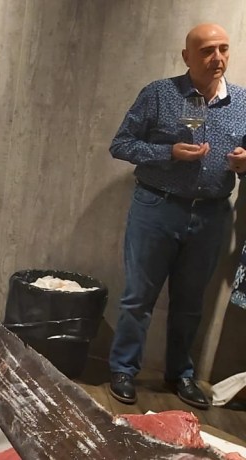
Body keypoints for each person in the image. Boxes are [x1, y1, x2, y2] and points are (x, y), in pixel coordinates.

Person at [108, 23, 246, 410]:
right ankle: (122, 369)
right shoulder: (158, 94)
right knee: (139, 297)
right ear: (187, 57)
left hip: (211, 215)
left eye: (223, 48)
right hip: (157, 207)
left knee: (190, 301)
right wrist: (168, 153)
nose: (217, 57)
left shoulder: (243, 102)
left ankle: (180, 373)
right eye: (207, 50)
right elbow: (121, 144)